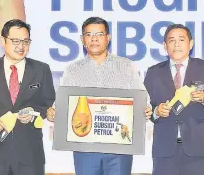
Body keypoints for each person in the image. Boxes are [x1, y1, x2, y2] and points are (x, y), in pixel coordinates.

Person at [46, 17, 152, 175]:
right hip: (85, 149)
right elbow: (63, 106)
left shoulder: (126, 66)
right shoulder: (72, 70)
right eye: (89, 34)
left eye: (99, 34)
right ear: (82, 40)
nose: (94, 39)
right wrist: (54, 113)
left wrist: (146, 109)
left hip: (119, 149)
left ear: (108, 38)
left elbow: (143, 100)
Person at [0, 19, 55, 175]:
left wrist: (34, 113)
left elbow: (47, 102)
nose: (21, 46)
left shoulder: (41, 69)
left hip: (30, 154)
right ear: (3, 41)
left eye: (25, 41)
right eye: (15, 41)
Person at [144, 24, 204, 175]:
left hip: (198, 149)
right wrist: (156, 111)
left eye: (181, 39)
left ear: (191, 43)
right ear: (165, 46)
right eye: (171, 40)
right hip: (164, 152)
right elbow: (145, 107)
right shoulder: (153, 72)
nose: (177, 44)